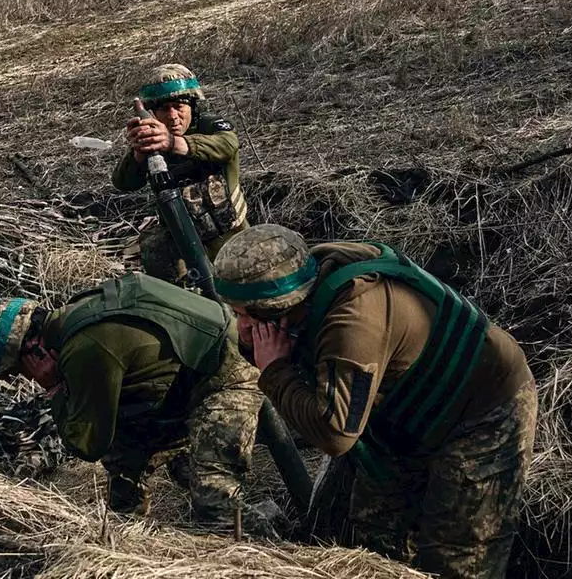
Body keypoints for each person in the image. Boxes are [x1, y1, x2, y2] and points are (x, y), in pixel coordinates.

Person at [211, 224, 537, 579]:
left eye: (247, 316)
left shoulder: (353, 322)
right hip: (406, 412)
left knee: (458, 557)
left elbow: (334, 434)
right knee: (376, 538)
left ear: (279, 309)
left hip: (482, 411)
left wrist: (275, 371)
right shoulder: (306, 275)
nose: (240, 327)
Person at [0, 271, 269, 534]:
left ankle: (279, 534)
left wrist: (54, 389)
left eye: (18, 370)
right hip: (192, 376)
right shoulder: (77, 313)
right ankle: (128, 525)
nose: (27, 377)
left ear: (31, 350)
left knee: (215, 508)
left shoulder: (83, 348)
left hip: (227, 374)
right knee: (129, 458)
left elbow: (87, 443)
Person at [112, 64, 248, 284]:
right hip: (181, 238)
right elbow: (123, 183)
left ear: (193, 106)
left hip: (230, 234)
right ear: (153, 113)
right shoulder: (152, 140)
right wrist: (138, 153)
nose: (173, 116)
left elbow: (227, 145)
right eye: (164, 109)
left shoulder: (211, 126)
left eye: (179, 106)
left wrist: (174, 143)